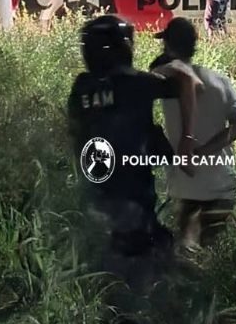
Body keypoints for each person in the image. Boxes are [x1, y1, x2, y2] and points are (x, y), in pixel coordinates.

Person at [67, 14, 201, 263]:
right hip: (133, 190)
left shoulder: (82, 87)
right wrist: (186, 140)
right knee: (148, 256)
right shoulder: (138, 83)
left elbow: (74, 131)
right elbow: (187, 82)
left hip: (96, 185)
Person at [150, 17, 236, 250]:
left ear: (169, 46)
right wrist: (202, 152)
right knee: (214, 250)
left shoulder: (166, 78)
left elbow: (154, 71)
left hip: (186, 184)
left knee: (185, 250)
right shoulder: (220, 80)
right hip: (221, 181)